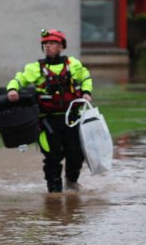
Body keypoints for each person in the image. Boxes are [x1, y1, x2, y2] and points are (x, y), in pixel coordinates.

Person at [6, 29, 93, 193]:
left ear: (61, 46)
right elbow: (19, 79)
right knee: (52, 158)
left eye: (52, 43)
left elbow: (86, 78)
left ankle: (71, 182)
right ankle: (54, 193)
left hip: (72, 118)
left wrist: (87, 93)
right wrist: (12, 89)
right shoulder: (35, 68)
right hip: (47, 121)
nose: (47, 47)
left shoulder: (73, 64)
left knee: (75, 155)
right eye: (45, 44)